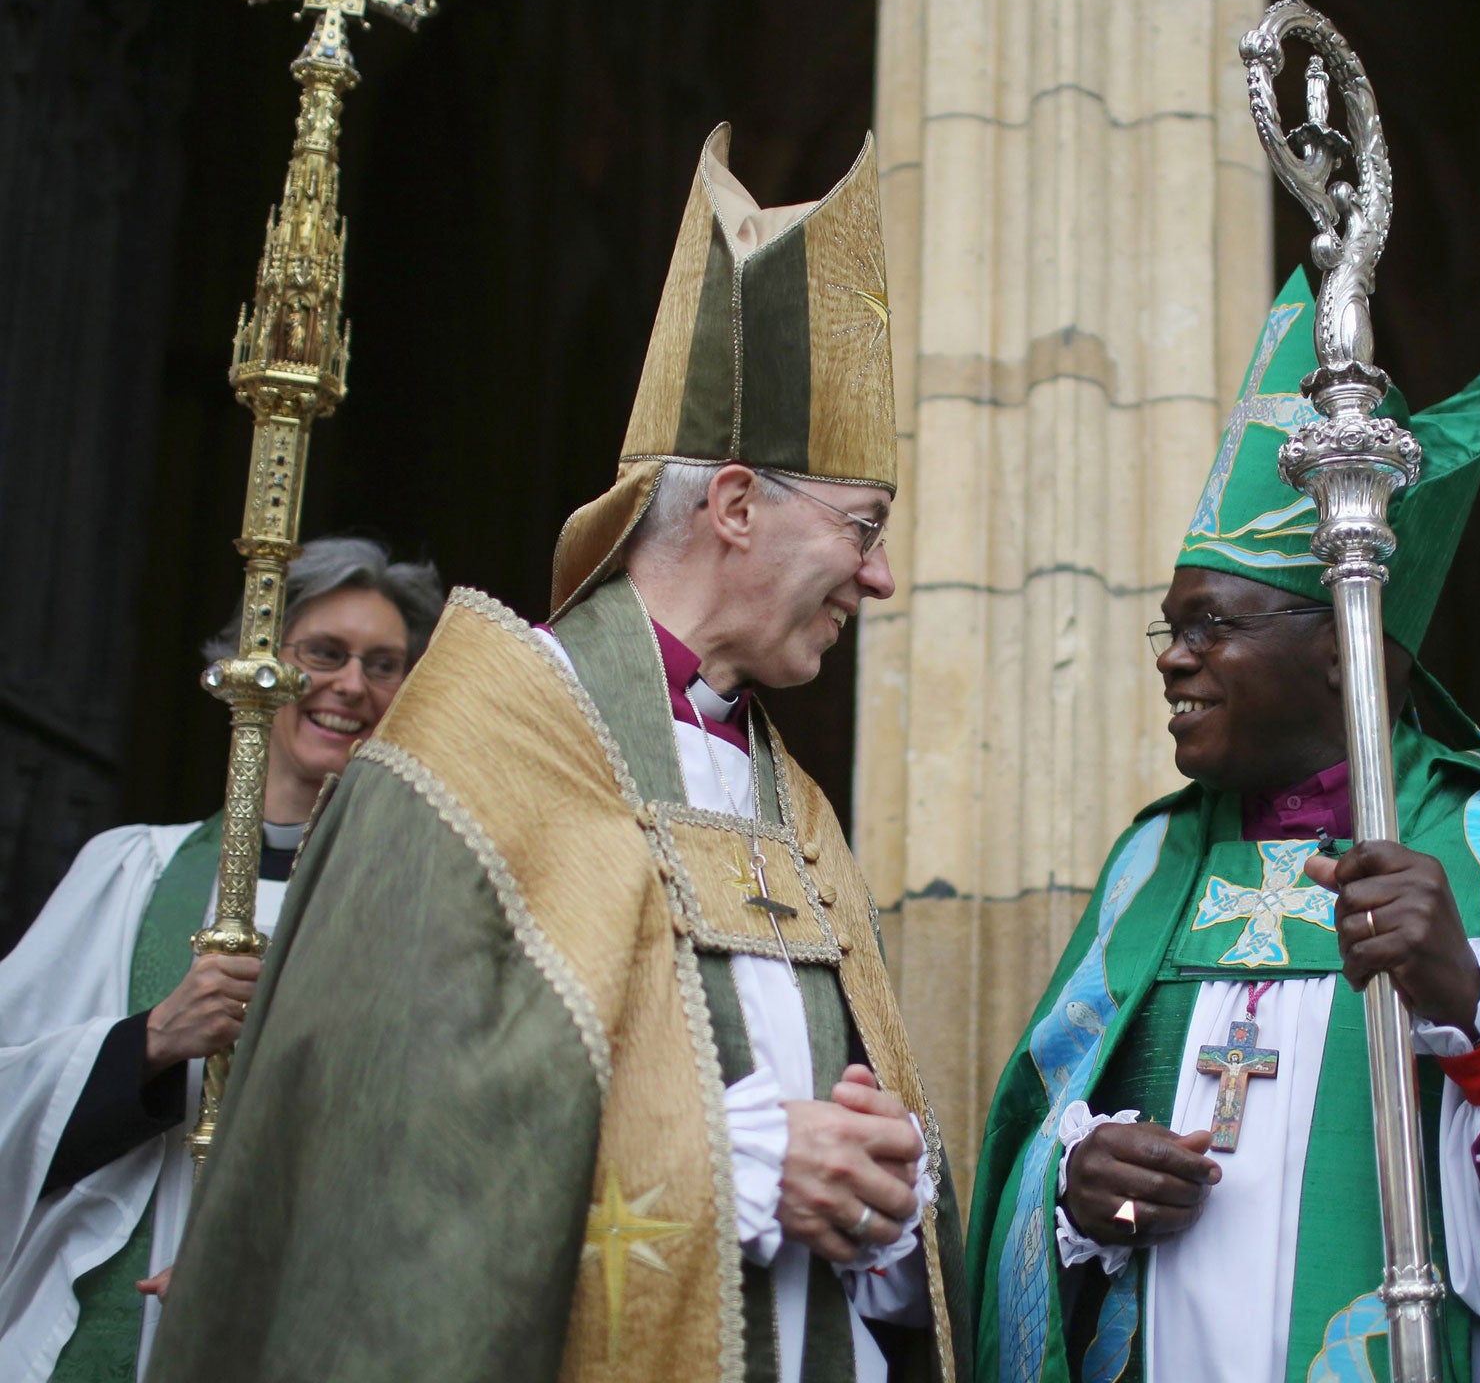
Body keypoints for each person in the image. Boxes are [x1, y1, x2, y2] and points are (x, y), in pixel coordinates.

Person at [145, 126, 969, 1383]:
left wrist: (894, 1203)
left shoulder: (786, 799)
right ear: (737, 507)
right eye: (860, 527)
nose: (881, 574)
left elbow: (864, 1138)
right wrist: (733, 1165)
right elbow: (376, 1162)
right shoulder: (470, 746)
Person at [968, 271, 1480, 1383]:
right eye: (1167, 631)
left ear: (1340, 648)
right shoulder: (1148, 869)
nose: (1174, 657)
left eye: (1210, 626)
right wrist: (1071, 1192)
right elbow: (1033, 1141)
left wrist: (1474, 1013)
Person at [0, 537, 443, 1383]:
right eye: (324, 652)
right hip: (100, 1315)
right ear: (257, 670)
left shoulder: (429, 901)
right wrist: (151, 1043)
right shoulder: (132, 873)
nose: (353, 685)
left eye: (385, 666)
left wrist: (269, 1263)